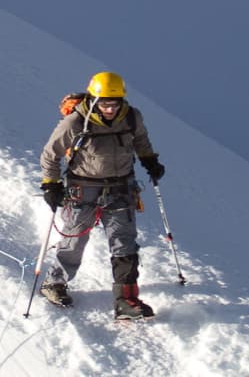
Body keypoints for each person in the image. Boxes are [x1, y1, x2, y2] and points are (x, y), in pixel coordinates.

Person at [38, 71, 166, 319]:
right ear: (94, 100)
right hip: (83, 187)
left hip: (121, 187)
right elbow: (50, 154)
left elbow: (141, 140)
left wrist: (149, 160)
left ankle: (126, 300)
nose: (110, 109)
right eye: (105, 103)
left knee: (124, 242)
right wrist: (51, 184)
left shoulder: (131, 117)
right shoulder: (75, 122)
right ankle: (54, 283)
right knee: (75, 239)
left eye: (114, 103)